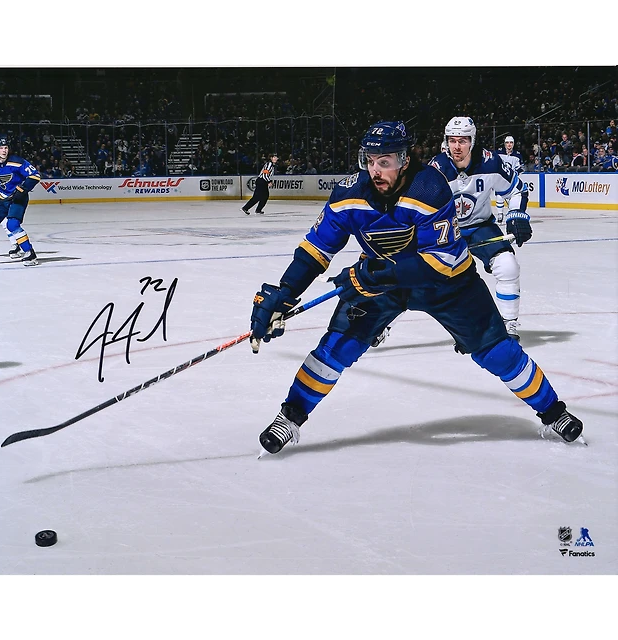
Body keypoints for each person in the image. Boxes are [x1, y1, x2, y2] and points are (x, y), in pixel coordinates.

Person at [249, 120, 584, 455]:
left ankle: (554, 412)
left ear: (404, 160)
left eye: (385, 162)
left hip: (447, 283)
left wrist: (371, 276)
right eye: (369, 160)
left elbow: (439, 262)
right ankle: (289, 417)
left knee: (498, 353)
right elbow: (315, 250)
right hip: (382, 280)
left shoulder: (429, 187)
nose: (375, 170)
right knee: (336, 347)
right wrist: (286, 291)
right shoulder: (348, 194)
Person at [429, 117, 531, 341]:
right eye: (452, 140)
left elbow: (517, 190)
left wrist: (516, 215)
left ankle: (508, 325)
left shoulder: (490, 163)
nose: (457, 146)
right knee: (412, 273)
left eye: (463, 141)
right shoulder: (435, 170)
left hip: (480, 227)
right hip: (447, 230)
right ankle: (381, 325)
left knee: (507, 265)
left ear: (472, 141)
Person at [0, 136, 40, 266]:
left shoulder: (18, 162)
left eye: (6, 147)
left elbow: (35, 176)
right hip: (1, 199)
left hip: (18, 198)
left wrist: (22, 190)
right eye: (1, 148)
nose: (4, 150)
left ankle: (30, 253)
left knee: (12, 224)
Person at [494, 135, 524, 223]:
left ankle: (511, 214)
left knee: (513, 199)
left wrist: (515, 173)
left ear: (513, 144)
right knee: (499, 196)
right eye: (507, 143)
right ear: (504, 144)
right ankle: (500, 215)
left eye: (511, 143)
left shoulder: (517, 155)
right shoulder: (499, 153)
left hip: (512, 181)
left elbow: (521, 168)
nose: (509, 145)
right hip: (501, 179)